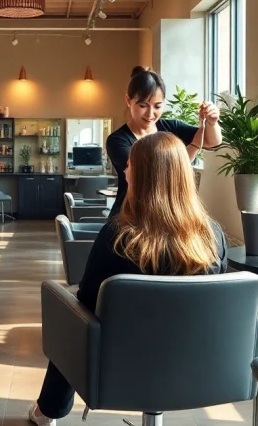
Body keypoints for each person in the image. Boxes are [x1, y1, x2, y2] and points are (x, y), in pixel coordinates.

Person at [29, 132, 229, 425]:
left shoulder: (117, 237)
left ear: (144, 175)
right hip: (201, 363)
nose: (124, 171)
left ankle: (49, 410)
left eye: (130, 165)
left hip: (119, 366)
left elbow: (86, 303)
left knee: (71, 315)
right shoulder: (214, 237)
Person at [105, 67, 222, 217]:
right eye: (143, 105)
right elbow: (150, 176)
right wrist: (192, 147)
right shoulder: (118, 140)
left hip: (167, 215)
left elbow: (211, 141)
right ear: (128, 100)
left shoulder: (171, 127)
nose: (150, 113)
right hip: (130, 216)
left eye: (157, 106)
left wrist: (211, 123)